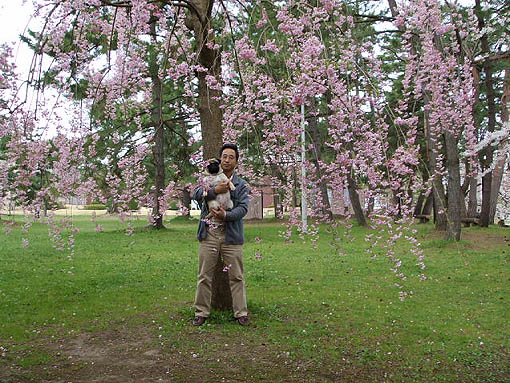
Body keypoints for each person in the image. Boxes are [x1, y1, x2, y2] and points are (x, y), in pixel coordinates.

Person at [192, 143, 250, 326]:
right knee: (204, 275)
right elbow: (196, 193)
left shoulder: (240, 184)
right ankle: (201, 312)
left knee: (236, 276)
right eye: (224, 156)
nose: (227, 160)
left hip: (231, 235)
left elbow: (243, 208)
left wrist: (226, 215)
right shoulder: (208, 178)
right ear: (219, 159)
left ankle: (241, 312)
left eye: (231, 157)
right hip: (209, 233)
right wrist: (214, 191)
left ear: (236, 162)